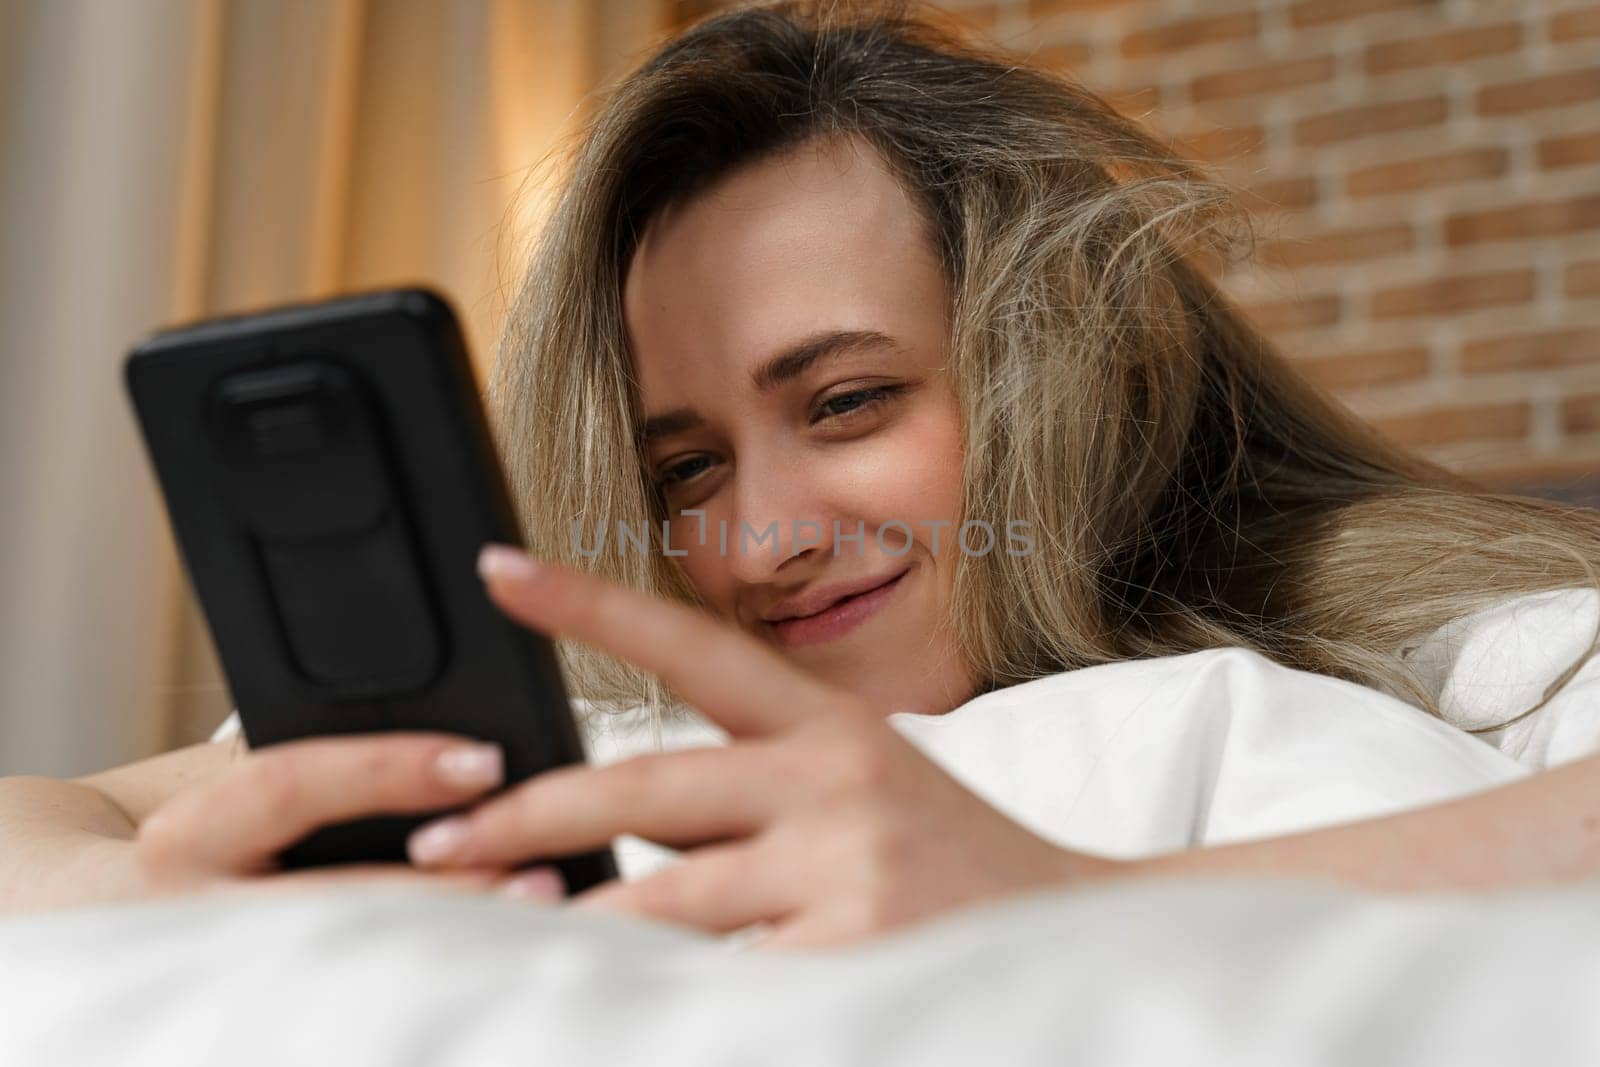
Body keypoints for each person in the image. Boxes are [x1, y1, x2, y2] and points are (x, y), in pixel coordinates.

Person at [3, 0, 1598, 946]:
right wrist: (147, 892)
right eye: (684, 465)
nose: (754, 540)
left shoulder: (1410, 656)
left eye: (845, 402)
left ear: (1064, 366)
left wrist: (1050, 895)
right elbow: (32, 816)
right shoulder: (597, 709)